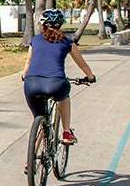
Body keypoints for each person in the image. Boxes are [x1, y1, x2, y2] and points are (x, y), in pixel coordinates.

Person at [22, 9, 96, 145]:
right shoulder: (67, 42)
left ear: (43, 24)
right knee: (64, 96)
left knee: (40, 119)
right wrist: (90, 77)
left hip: (31, 84)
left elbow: (28, 63)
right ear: (60, 25)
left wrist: (24, 75)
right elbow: (82, 64)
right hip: (56, 84)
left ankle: (30, 162)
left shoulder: (35, 40)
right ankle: (67, 132)